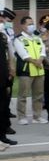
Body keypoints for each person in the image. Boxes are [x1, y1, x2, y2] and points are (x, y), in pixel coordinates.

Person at [13, 16, 48, 127]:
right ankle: (21, 117)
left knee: (39, 95)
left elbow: (42, 50)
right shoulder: (18, 39)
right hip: (26, 70)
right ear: (22, 26)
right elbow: (23, 54)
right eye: (29, 24)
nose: (31, 26)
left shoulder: (37, 37)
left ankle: (37, 116)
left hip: (39, 70)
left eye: (32, 23)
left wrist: (41, 59)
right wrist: (34, 61)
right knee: (23, 95)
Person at [0, 8, 14, 148]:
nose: (3, 21)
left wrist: (11, 69)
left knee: (3, 107)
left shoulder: (4, 35)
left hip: (3, 74)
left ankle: (3, 136)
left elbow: (10, 53)